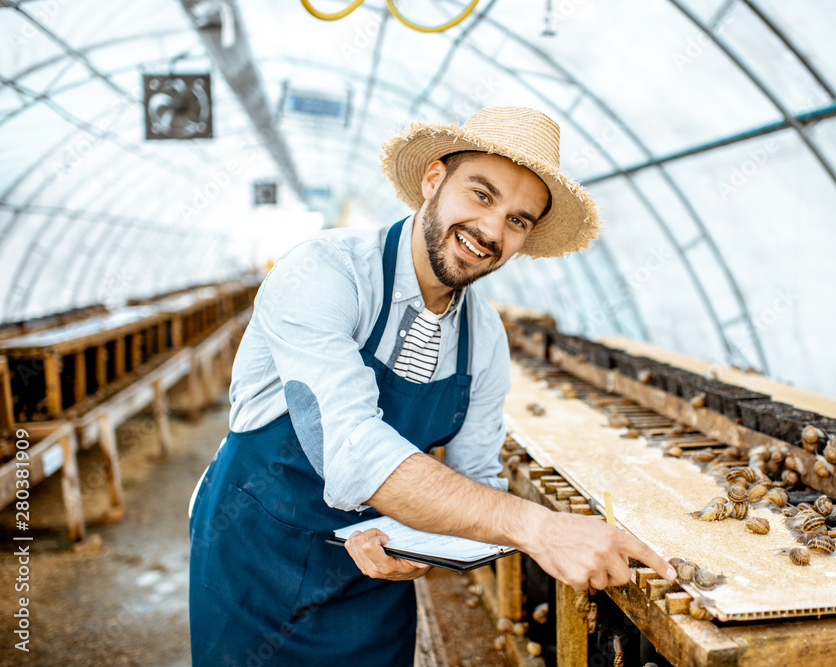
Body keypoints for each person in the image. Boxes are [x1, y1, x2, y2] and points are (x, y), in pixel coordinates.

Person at [188, 106, 675, 666]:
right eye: (482, 195)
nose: (491, 231)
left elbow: (475, 479)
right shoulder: (324, 274)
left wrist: (411, 537)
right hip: (257, 564)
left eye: (518, 220)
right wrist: (539, 528)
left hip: (374, 578)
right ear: (433, 180)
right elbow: (353, 452)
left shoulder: (483, 335)